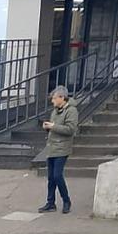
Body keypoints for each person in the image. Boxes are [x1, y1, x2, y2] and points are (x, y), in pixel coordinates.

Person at [39, 85, 79, 214]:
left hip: (62, 148)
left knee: (57, 176)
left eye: (54, 98)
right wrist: (48, 127)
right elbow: (54, 127)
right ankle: (50, 203)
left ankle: (66, 201)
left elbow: (70, 129)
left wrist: (53, 126)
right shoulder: (55, 111)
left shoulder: (71, 111)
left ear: (62, 98)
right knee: (51, 177)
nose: (52, 101)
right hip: (52, 147)